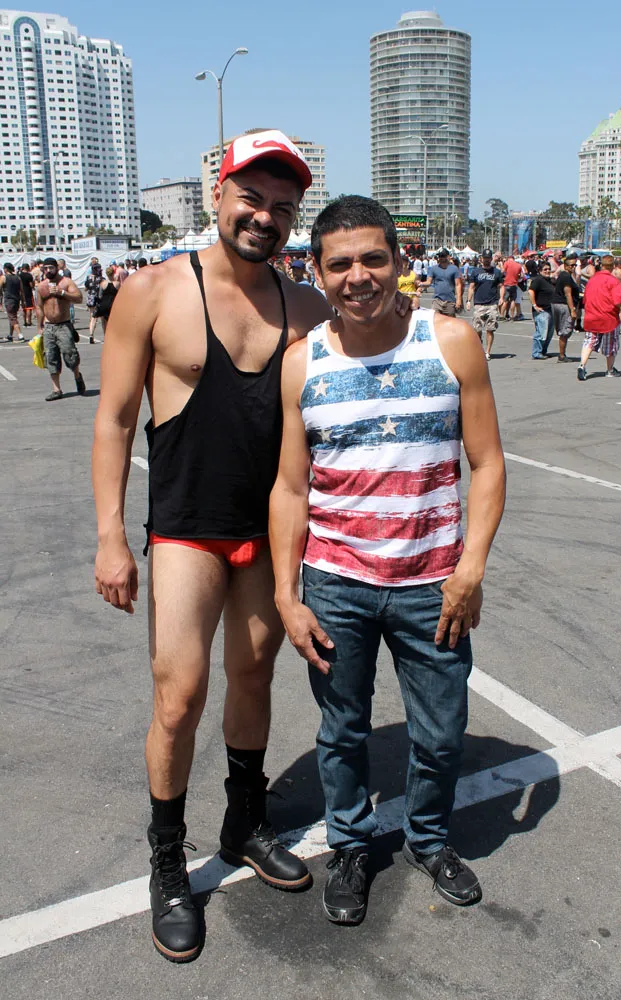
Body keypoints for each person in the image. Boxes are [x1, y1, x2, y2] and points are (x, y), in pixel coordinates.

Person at [92, 131, 374, 963]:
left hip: (272, 532)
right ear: (218, 195)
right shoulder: (151, 291)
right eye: (251, 198)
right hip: (187, 528)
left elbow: (371, 359)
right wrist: (111, 536)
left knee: (254, 678)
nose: (264, 217)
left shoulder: (309, 308)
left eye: (283, 207)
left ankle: (245, 822)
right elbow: (113, 420)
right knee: (179, 697)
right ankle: (167, 862)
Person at [269, 195, 506, 926]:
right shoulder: (301, 362)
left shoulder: (451, 342)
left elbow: (488, 463)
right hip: (336, 582)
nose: (359, 276)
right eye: (340, 263)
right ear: (317, 272)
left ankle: (429, 840)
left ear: (400, 262)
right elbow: (290, 486)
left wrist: (470, 568)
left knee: (440, 731)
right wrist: (286, 594)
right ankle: (349, 844)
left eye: (375, 258)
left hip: (433, 584)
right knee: (342, 730)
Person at [35, 257, 85, 400]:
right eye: (46, 268)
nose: (48, 270)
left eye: (51, 268)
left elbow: (79, 298)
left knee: (70, 355)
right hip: (49, 326)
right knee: (51, 358)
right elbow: (39, 307)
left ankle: (77, 375)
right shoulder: (41, 286)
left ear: (57, 268)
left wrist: (62, 293)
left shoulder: (66, 282)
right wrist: (39, 326)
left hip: (64, 325)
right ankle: (56, 389)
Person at [577, 255, 621, 381]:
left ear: (601, 265)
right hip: (609, 317)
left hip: (592, 315)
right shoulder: (613, 281)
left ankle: (582, 365)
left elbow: (585, 299)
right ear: (613, 266)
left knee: (589, 341)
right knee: (611, 344)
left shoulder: (592, 280)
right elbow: (617, 300)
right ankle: (610, 370)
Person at [466, 248, 504, 359]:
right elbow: (471, 287)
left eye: (488, 258)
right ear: (482, 258)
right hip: (479, 304)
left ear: (491, 258)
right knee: (477, 329)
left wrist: (501, 298)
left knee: (490, 329)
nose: (486, 260)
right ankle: (480, 347)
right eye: (485, 258)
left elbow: (501, 286)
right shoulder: (476, 272)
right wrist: (468, 301)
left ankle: (487, 352)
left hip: (492, 304)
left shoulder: (496, 272)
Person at [551, 256, 579, 362]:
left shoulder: (564, 275)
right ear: (566, 266)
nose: (573, 267)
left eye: (575, 265)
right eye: (571, 265)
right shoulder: (566, 276)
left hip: (557, 303)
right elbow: (568, 294)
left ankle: (562, 354)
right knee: (565, 330)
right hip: (563, 305)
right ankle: (562, 355)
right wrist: (572, 310)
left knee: (563, 330)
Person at [420, 249, 462, 316]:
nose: (441, 258)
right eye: (440, 256)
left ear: (448, 256)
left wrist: (459, 299)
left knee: (449, 321)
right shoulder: (433, 269)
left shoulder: (454, 269)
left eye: (443, 256)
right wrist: (420, 284)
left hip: (450, 301)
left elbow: (458, 284)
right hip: (437, 300)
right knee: (435, 319)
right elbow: (429, 282)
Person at [528, 260, 555, 359]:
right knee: (541, 333)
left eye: (549, 269)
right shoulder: (538, 280)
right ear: (539, 271)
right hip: (542, 311)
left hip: (550, 310)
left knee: (549, 333)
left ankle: (543, 351)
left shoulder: (550, 281)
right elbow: (531, 291)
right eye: (545, 269)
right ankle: (536, 352)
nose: (547, 271)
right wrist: (535, 305)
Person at [1, 263, 24, 342]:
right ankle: (10, 335)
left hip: (9, 300)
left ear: (5, 269)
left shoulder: (4, 277)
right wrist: (23, 301)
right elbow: (22, 290)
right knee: (12, 317)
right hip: (17, 299)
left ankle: (20, 335)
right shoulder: (18, 277)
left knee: (13, 318)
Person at [93, 266, 119, 333]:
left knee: (104, 322)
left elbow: (100, 296)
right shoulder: (117, 284)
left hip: (104, 304)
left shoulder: (102, 283)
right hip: (113, 304)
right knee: (113, 321)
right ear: (113, 273)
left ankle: (105, 334)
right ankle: (112, 333)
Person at [85, 263, 103, 344]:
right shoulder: (101, 279)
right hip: (98, 298)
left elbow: (86, 288)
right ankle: (105, 335)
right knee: (102, 318)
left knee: (92, 317)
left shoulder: (88, 278)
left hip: (90, 298)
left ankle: (91, 334)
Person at [501, 254, 523, 319]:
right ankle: (512, 315)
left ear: (509, 258)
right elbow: (521, 275)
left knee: (505, 300)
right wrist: (517, 276)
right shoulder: (518, 265)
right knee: (513, 300)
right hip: (514, 284)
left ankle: (502, 315)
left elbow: (502, 271)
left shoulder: (506, 263)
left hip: (507, 283)